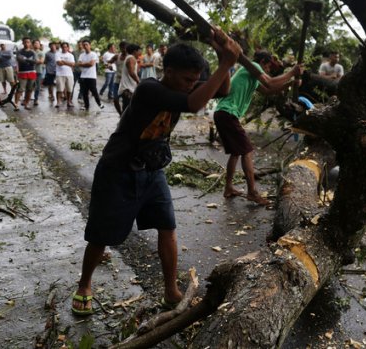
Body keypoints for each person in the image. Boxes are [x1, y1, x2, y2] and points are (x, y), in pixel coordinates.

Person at [70, 30, 240, 316]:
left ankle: (171, 290)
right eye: (187, 80)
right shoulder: (150, 89)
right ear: (168, 72)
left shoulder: (183, 87)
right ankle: (85, 284)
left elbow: (221, 91)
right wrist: (225, 63)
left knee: (167, 226)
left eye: (194, 80)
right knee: (101, 234)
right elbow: (194, 103)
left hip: (152, 170)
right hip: (118, 171)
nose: (191, 86)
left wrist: (224, 60)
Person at [213, 50, 302, 205]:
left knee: (235, 152)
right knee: (247, 150)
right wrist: (293, 72)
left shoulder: (252, 75)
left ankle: (228, 188)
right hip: (228, 113)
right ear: (262, 62)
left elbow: (268, 91)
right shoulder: (252, 66)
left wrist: (290, 83)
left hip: (224, 113)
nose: (268, 70)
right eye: (268, 67)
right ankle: (252, 192)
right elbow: (270, 82)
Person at [77, 39, 104, 111]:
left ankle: (99, 104)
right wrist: (85, 64)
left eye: (86, 44)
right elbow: (79, 64)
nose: (85, 46)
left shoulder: (93, 54)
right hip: (83, 76)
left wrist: (83, 64)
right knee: (85, 92)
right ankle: (86, 106)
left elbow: (91, 64)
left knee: (94, 91)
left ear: (90, 45)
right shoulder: (81, 55)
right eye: (84, 45)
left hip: (91, 76)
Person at [14, 37, 37, 110]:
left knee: (30, 90)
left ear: (30, 43)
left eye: (28, 42)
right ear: (23, 43)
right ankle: (16, 104)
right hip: (22, 72)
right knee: (20, 89)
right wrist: (29, 60)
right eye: (25, 42)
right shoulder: (20, 52)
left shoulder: (33, 52)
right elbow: (20, 60)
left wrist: (25, 59)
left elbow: (35, 61)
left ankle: (26, 104)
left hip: (31, 72)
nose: (27, 43)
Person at [119, 43, 142, 113]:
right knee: (127, 110)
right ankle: (123, 123)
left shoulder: (130, 58)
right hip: (128, 89)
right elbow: (131, 72)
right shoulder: (131, 58)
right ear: (135, 51)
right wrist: (138, 81)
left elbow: (134, 71)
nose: (140, 53)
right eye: (139, 51)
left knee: (128, 109)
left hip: (128, 88)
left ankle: (123, 122)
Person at [55, 42, 76, 108]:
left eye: (66, 47)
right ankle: (58, 102)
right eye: (63, 47)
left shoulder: (71, 55)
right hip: (60, 74)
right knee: (60, 89)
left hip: (69, 74)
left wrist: (64, 62)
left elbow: (73, 64)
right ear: (61, 47)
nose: (64, 48)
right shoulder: (57, 54)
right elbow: (59, 63)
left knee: (69, 89)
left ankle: (69, 102)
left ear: (68, 47)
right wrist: (68, 63)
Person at [33, 39, 46, 105]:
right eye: (35, 43)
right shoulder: (30, 52)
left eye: (37, 43)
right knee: (29, 86)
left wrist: (32, 61)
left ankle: (36, 99)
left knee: (37, 86)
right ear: (33, 44)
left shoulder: (41, 52)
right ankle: (26, 98)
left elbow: (41, 61)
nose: (36, 44)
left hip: (39, 71)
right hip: (31, 71)